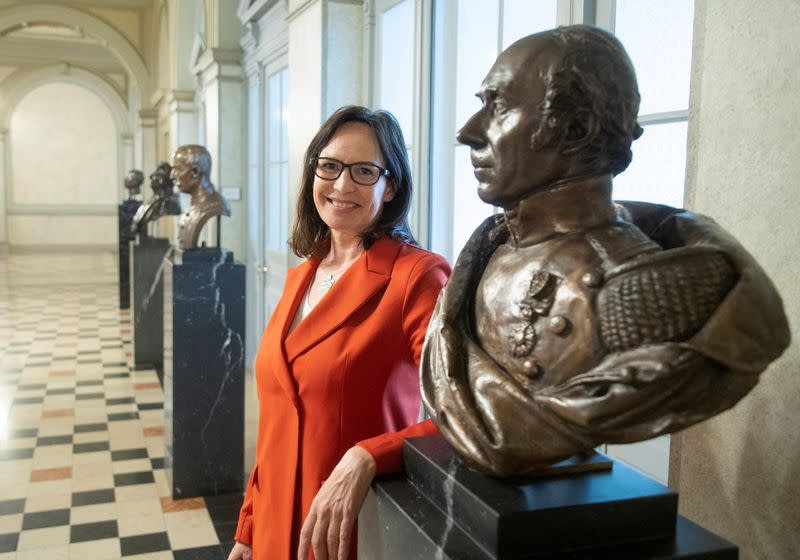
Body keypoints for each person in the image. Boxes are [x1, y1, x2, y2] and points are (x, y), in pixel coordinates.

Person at [420, 25, 790, 476]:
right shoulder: (488, 249)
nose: (468, 133)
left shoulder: (635, 291)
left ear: (576, 130)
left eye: (497, 106)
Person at [228, 106, 450, 560]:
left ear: (391, 187)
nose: (342, 185)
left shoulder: (415, 277)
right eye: (329, 166)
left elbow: (463, 414)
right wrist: (248, 528)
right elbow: (275, 420)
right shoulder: (300, 278)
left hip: (344, 533)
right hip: (273, 528)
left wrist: (370, 454)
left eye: (364, 171)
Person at [170, 144, 231, 249]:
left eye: (178, 169)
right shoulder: (194, 206)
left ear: (195, 172)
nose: (172, 176)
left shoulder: (215, 206)